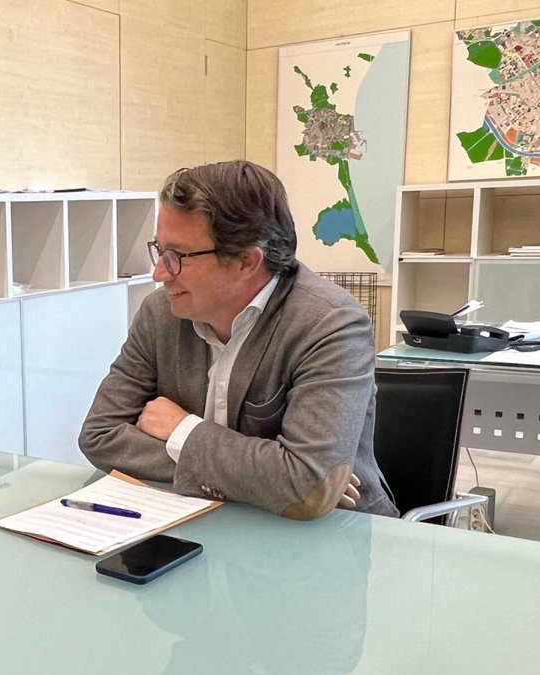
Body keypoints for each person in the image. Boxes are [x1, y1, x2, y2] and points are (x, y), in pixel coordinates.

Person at [79, 161, 398, 520]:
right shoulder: (159, 314)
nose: (159, 273)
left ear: (247, 261)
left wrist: (182, 429)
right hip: (208, 521)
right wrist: (266, 480)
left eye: (178, 256)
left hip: (339, 532)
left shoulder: (330, 323)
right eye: (160, 249)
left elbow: (306, 486)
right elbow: (99, 435)